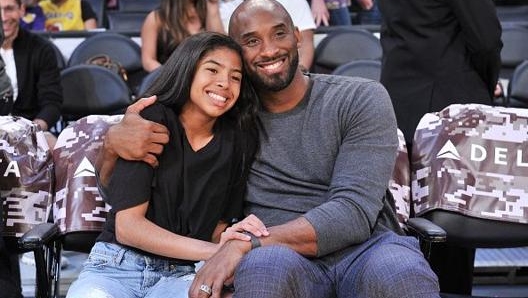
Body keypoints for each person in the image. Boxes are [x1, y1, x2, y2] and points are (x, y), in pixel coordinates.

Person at [98, 1, 441, 297]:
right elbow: (146, 191)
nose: (269, 50)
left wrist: (245, 244)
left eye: (279, 33)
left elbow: (352, 212)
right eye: (251, 41)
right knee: (265, 270)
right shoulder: (227, 115)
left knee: (401, 271)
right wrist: (112, 145)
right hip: (275, 255)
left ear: (296, 35)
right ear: (237, 54)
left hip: (365, 248)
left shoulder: (359, 98)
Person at [66, 31, 268, 298]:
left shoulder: (239, 140)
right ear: (188, 70)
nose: (224, 83)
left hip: (182, 273)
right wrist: (221, 252)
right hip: (116, 266)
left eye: (235, 77)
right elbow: (128, 228)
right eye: (212, 70)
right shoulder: (151, 121)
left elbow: (214, 228)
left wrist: (236, 237)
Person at [378, 0, 502, 294]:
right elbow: (486, 39)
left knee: (406, 224)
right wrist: (483, 85)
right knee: (455, 226)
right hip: (451, 108)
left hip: (399, 101)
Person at [0, 0, 62, 147]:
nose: (3, 17)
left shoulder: (42, 49)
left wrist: (31, 131)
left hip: (29, 130)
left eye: (9, 9)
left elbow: (51, 103)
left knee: (54, 146)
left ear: (22, 10)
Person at [220, 0, 315, 72]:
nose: (270, 52)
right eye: (253, 41)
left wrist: (302, 71)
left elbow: (306, 43)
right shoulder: (227, 8)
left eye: (279, 34)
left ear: (297, 37)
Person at [141, 0, 225, 72]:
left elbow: (220, 46)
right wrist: (169, 78)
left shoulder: (206, 15)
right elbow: (148, 61)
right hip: (169, 81)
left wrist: (213, 5)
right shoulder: (157, 18)